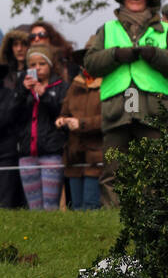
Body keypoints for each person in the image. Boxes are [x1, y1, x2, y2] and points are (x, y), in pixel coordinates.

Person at [83, 0, 168, 205]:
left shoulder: (164, 30)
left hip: (153, 112)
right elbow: (89, 63)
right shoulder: (107, 29)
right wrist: (115, 55)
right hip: (116, 112)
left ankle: (151, 222)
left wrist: (155, 55)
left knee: (154, 171)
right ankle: (113, 222)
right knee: (113, 172)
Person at [12, 44, 68, 210]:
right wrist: (22, 92)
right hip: (27, 155)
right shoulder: (22, 88)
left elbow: (62, 113)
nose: (37, 68)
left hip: (51, 154)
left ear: (50, 65)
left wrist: (44, 96)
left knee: (50, 207)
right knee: (34, 208)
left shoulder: (61, 87)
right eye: (33, 65)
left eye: (42, 64)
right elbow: (12, 115)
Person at [56, 50, 104, 211]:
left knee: (91, 206)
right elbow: (64, 111)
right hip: (74, 156)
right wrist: (62, 120)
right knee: (76, 207)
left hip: (96, 156)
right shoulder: (74, 85)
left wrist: (82, 123)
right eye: (85, 59)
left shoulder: (110, 85)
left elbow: (111, 119)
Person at [0, 28, 29, 208]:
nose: (19, 49)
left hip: (31, 138)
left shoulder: (38, 71)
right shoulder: (4, 76)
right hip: (8, 141)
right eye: (15, 45)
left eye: (24, 44)